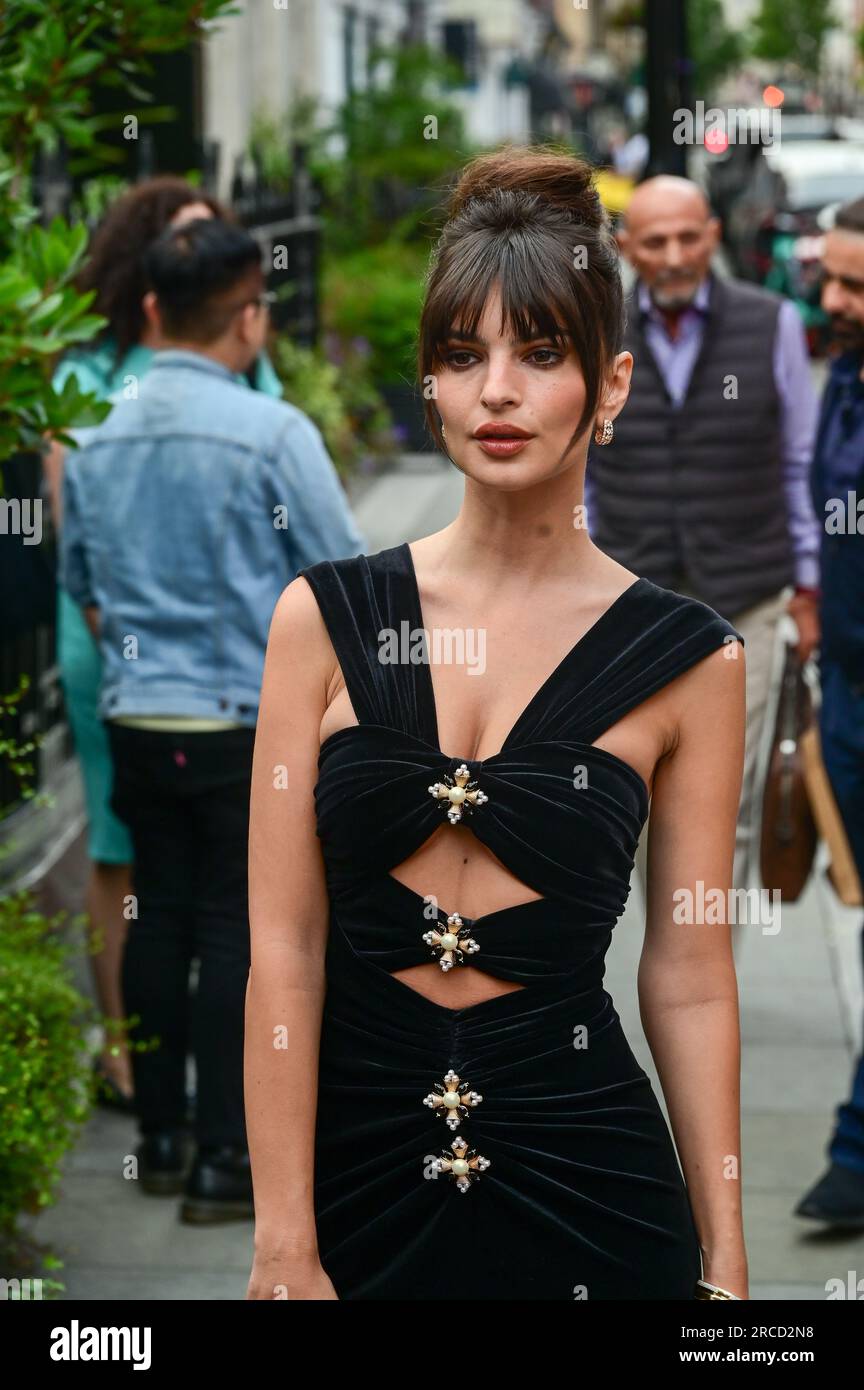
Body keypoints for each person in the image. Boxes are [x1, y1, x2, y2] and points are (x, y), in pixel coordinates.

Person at [245, 147, 749, 1301]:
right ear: (429, 380)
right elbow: (283, 947)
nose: (497, 393)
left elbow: (691, 972)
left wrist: (724, 1263)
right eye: (461, 357)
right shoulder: (322, 618)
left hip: (593, 1179)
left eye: (542, 353)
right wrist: (282, 1238)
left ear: (611, 385)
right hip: (351, 1180)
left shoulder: (690, 658)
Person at [59, 217, 365, 1223]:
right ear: (249, 317)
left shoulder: (96, 437)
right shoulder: (273, 432)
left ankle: (157, 1134)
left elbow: (84, 587)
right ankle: (228, 1161)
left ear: (150, 310)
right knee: (241, 927)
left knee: (159, 914)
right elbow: (342, 580)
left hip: (140, 714)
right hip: (245, 719)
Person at [44, 177, 283, 1111]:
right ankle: (130, 1057)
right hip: (117, 635)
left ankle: (193, 1097)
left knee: (205, 874)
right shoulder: (94, 368)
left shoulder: (243, 347)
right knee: (122, 849)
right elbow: (75, 534)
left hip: (219, 644)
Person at [584, 176, 822, 951]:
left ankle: (706, 968)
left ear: (714, 236)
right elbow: (579, 467)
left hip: (744, 599)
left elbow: (798, 462)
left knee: (731, 801)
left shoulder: (772, 323)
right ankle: (676, 953)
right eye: (655, 241)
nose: (675, 255)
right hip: (633, 604)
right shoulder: (600, 326)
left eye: (689, 237)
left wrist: (808, 587)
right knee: (643, 798)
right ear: (626, 249)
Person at [796, 196, 864, 1227]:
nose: (833, 299)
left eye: (856, 284)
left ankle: (857, 1149)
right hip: (848, 687)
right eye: (832, 278)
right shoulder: (846, 375)